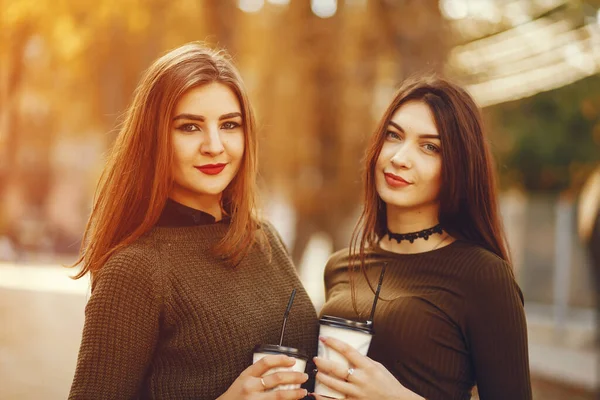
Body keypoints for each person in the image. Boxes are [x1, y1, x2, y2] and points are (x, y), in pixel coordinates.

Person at [68, 42, 317, 400]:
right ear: (154, 137)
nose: (214, 145)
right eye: (190, 127)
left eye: (230, 125)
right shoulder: (136, 269)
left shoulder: (263, 237)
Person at [312, 76, 532, 400]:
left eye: (430, 147)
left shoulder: (483, 276)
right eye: (393, 135)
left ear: (458, 166)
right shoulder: (341, 266)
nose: (400, 157)